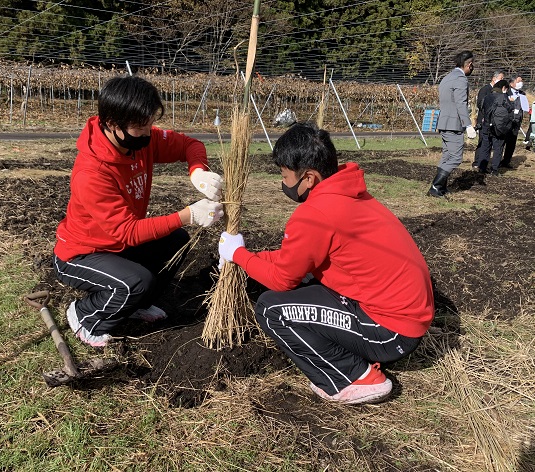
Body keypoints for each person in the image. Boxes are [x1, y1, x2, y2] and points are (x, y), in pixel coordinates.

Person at [217, 122, 434, 405]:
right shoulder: (346, 193)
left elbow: (282, 279)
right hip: (403, 315)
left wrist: (240, 256)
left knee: (272, 309)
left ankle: (354, 377)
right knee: (307, 282)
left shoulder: (317, 213)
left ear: (308, 178)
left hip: (392, 332)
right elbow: (293, 260)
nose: (283, 184)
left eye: (285, 176)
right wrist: (247, 256)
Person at [53, 76, 224, 348]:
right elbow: (127, 232)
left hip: (117, 247)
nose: (148, 132)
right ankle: (86, 315)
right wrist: (188, 215)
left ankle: (134, 305)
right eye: (140, 127)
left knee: (177, 240)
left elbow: (190, 145)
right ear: (112, 123)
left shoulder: (140, 139)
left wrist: (198, 171)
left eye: (149, 124)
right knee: (136, 281)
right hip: (82, 253)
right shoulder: (92, 172)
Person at [428, 50, 476, 198]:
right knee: (456, 157)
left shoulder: (447, 77)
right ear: (468, 64)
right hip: (453, 123)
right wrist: (468, 125)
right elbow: (460, 104)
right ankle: (435, 186)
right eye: (472, 65)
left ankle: (441, 186)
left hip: (443, 122)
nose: (472, 68)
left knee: (447, 156)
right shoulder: (460, 79)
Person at [473, 79, 513, 175]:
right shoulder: (503, 97)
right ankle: (494, 169)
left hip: (486, 125)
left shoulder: (487, 97)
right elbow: (509, 109)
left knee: (485, 146)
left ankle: (482, 167)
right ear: (504, 88)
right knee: (498, 147)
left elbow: (481, 107)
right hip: (498, 126)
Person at [472, 69, 505, 170]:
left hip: (494, 121)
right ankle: (477, 162)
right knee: (482, 141)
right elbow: (480, 104)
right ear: (494, 78)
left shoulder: (499, 93)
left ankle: (484, 162)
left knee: (489, 142)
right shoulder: (485, 89)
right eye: (501, 78)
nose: (502, 80)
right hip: (484, 119)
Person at [500, 75, 527, 169]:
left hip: (517, 121)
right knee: (502, 141)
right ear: (512, 82)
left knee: (512, 143)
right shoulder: (506, 92)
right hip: (506, 120)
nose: (521, 83)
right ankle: (497, 160)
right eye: (519, 81)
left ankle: (506, 161)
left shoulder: (522, 93)